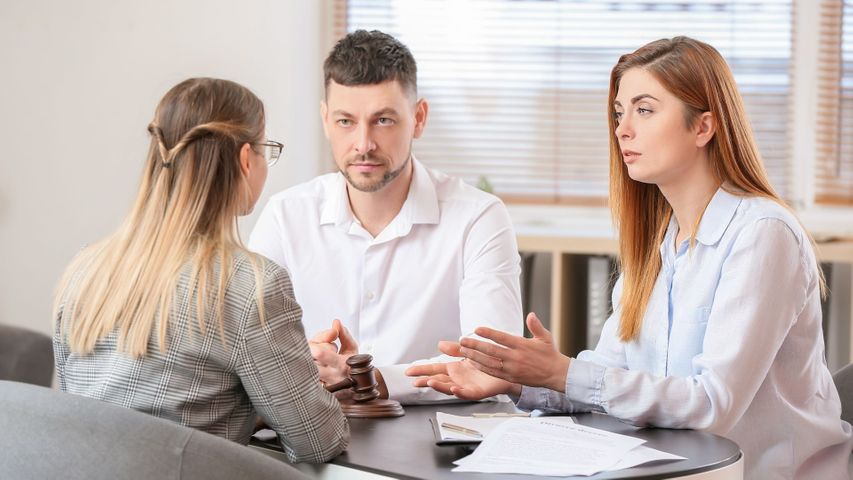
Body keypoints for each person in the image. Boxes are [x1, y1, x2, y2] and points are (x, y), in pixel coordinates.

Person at [407, 37, 853, 478]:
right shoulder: (661, 244)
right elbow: (611, 373)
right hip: (679, 468)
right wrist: (524, 380)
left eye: (644, 109)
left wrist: (563, 373)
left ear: (703, 127)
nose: (622, 128)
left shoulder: (762, 234)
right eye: (620, 113)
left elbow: (714, 405)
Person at [52, 78, 349, 463]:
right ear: (246, 159)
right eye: (266, 151)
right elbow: (319, 442)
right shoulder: (251, 286)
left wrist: (259, 390)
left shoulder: (85, 269)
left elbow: (99, 408)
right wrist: (306, 386)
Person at [248, 30, 523, 404]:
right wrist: (305, 362)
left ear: (418, 118)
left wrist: (366, 379)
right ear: (326, 120)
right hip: (320, 434)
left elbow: (492, 364)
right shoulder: (285, 216)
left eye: (383, 120)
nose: (363, 144)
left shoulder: (478, 217)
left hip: (440, 445)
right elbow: (250, 352)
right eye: (346, 121)